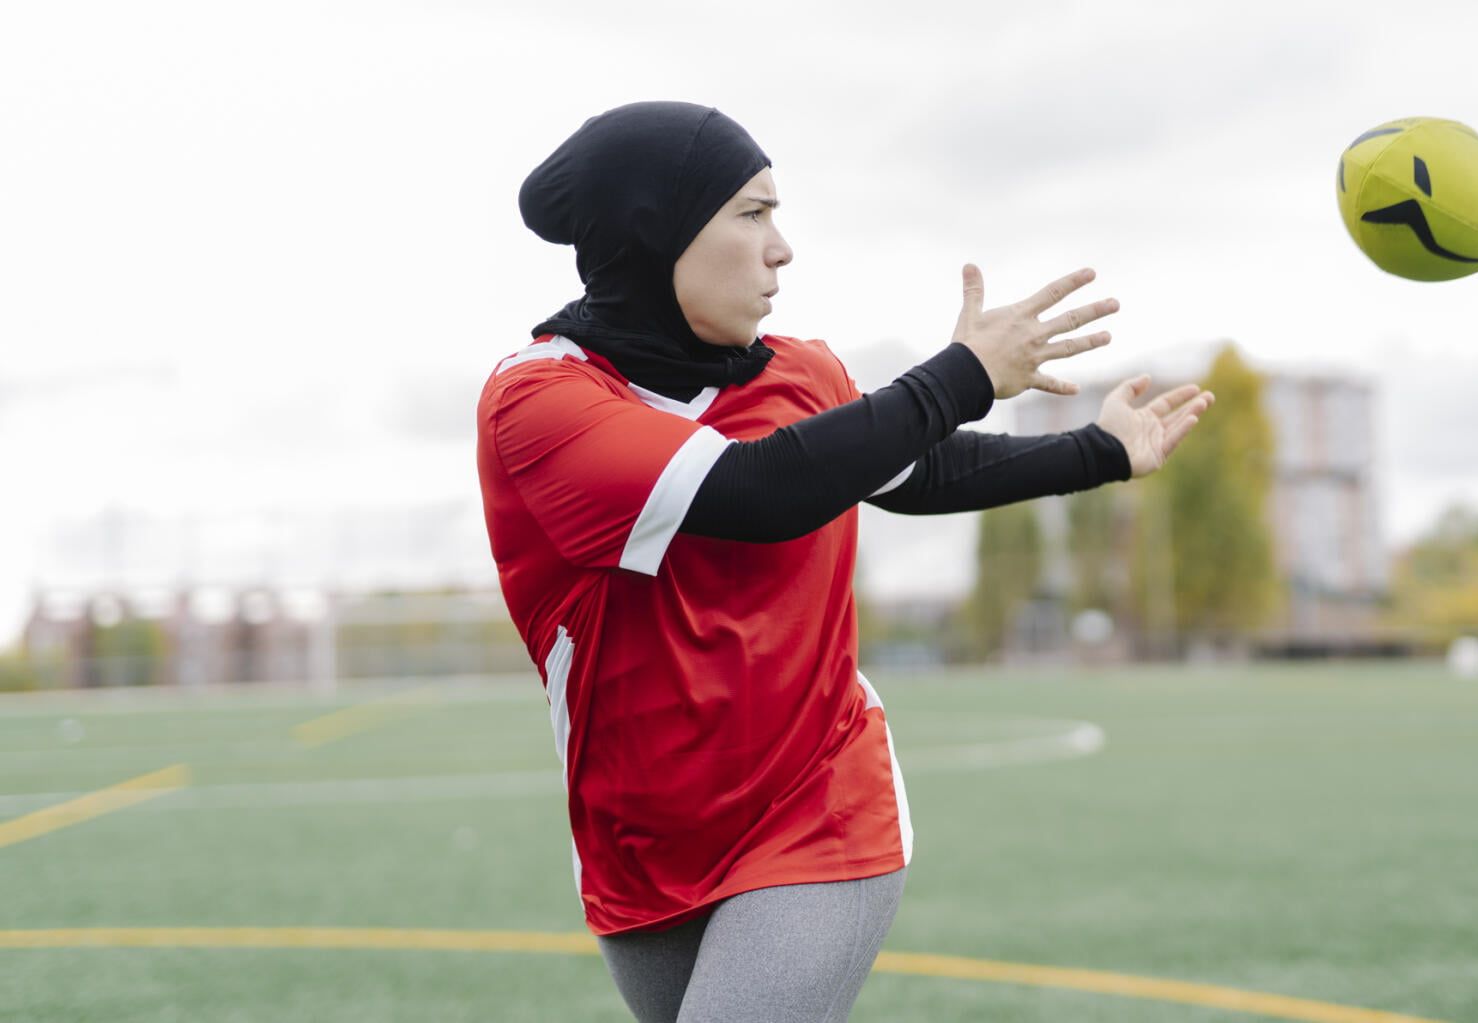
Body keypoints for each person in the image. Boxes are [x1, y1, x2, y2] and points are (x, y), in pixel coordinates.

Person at [476, 101, 1213, 1023]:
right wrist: (965, 374)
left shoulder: (801, 371)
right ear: (650, 231)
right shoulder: (540, 402)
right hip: (641, 841)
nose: (781, 247)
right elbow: (756, 492)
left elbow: (912, 469)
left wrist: (1098, 451)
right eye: (751, 214)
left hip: (817, 805)